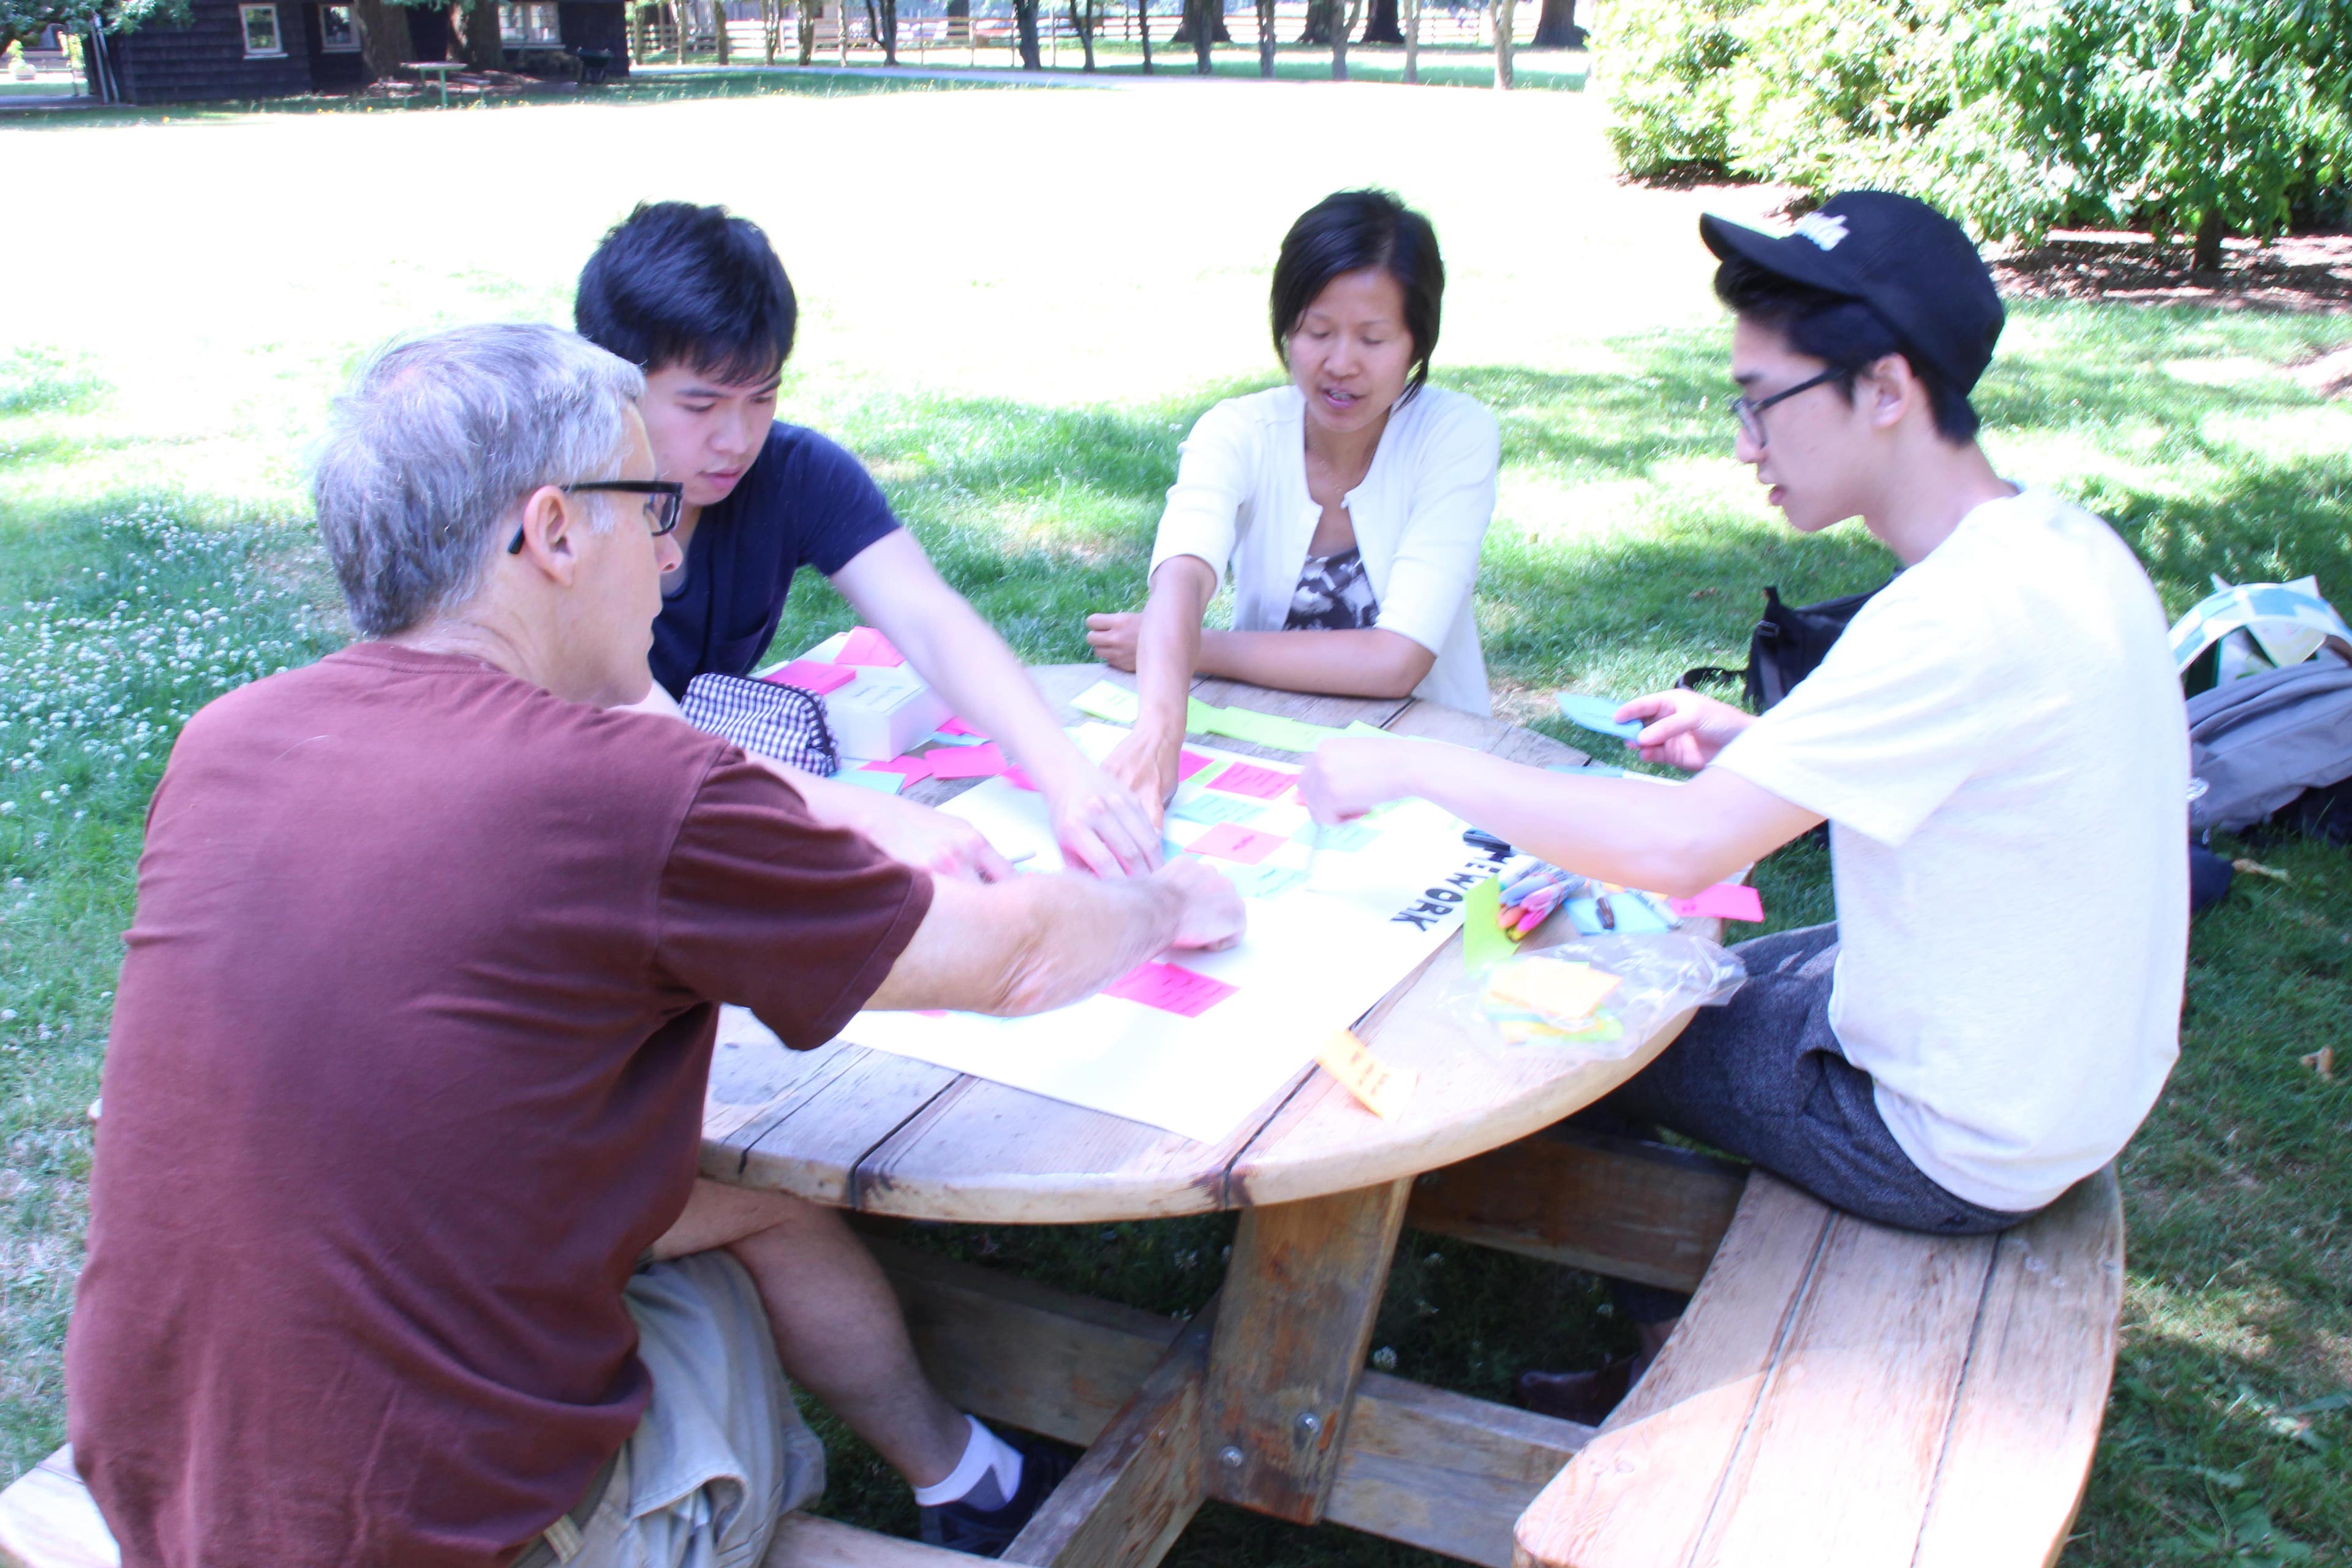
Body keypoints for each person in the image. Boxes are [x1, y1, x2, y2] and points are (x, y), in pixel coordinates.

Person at [64, 323, 1245, 1568]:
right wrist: (1163, 903)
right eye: (656, 508)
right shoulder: (634, 787)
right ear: (556, 530)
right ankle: (922, 1478)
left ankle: (961, 1470)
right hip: (462, 1533)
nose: (677, 556)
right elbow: (1009, 958)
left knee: (713, 1203)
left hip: (166, 1485)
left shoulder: (224, 740)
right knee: (730, 1261)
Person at [1297, 191, 2187, 1422]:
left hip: (1951, 1132)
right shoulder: (2057, 547)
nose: (1744, 444)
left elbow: (1677, 845)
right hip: (2053, 1070)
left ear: (1884, 389)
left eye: (1760, 401)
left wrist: (1408, 764)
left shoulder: (1951, 620)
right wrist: (1765, 743)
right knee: (1666, 966)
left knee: (1589, 1027)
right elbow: (1983, 783)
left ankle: (1667, 1364)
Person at [575, 200, 1158, 880]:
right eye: (701, 406)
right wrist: (872, 816)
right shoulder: (569, 511)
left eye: (762, 398)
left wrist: (1064, 773)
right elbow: (639, 724)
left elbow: (928, 618)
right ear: (612, 382)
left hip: (694, 807)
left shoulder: (792, 473)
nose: (736, 440)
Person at [1087, 189, 1501, 820]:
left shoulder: (1455, 435)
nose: (1341, 364)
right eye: (1318, 331)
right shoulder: (1239, 430)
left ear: (1417, 342)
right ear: (1287, 329)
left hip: (1433, 764)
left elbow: (1397, 661)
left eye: (1373, 338)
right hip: (1268, 752)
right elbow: (1183, 573)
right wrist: (1158, 731)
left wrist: (1189, 645)